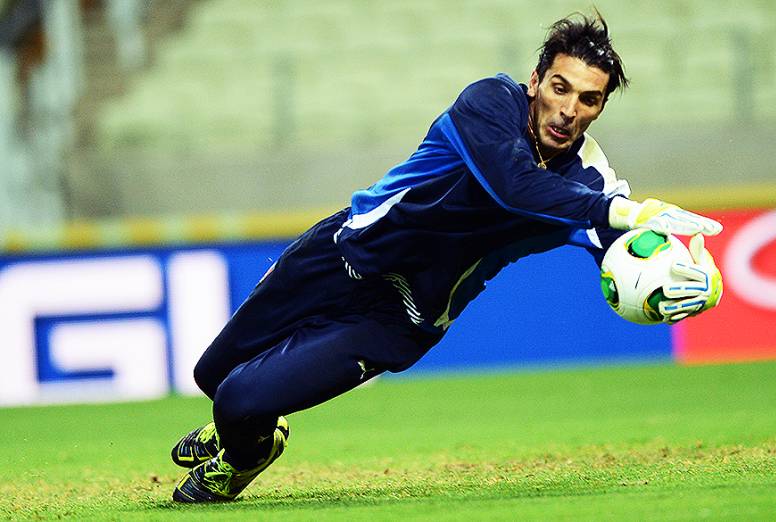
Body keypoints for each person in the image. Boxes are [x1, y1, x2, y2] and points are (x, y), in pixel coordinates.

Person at [170, 12, 724, 503]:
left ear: (599, 108)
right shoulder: (488, 103)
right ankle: (247, 423)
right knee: (211, 375)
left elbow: (624, 260)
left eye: (588, 100)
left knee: (241, 401)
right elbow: (514, 186)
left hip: (396, 318)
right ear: (535, 82)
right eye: (560, 87)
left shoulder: (593, 184)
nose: (568, 109)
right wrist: (626, 212)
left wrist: (685, 282)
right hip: (338, 254)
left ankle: (246, 455)